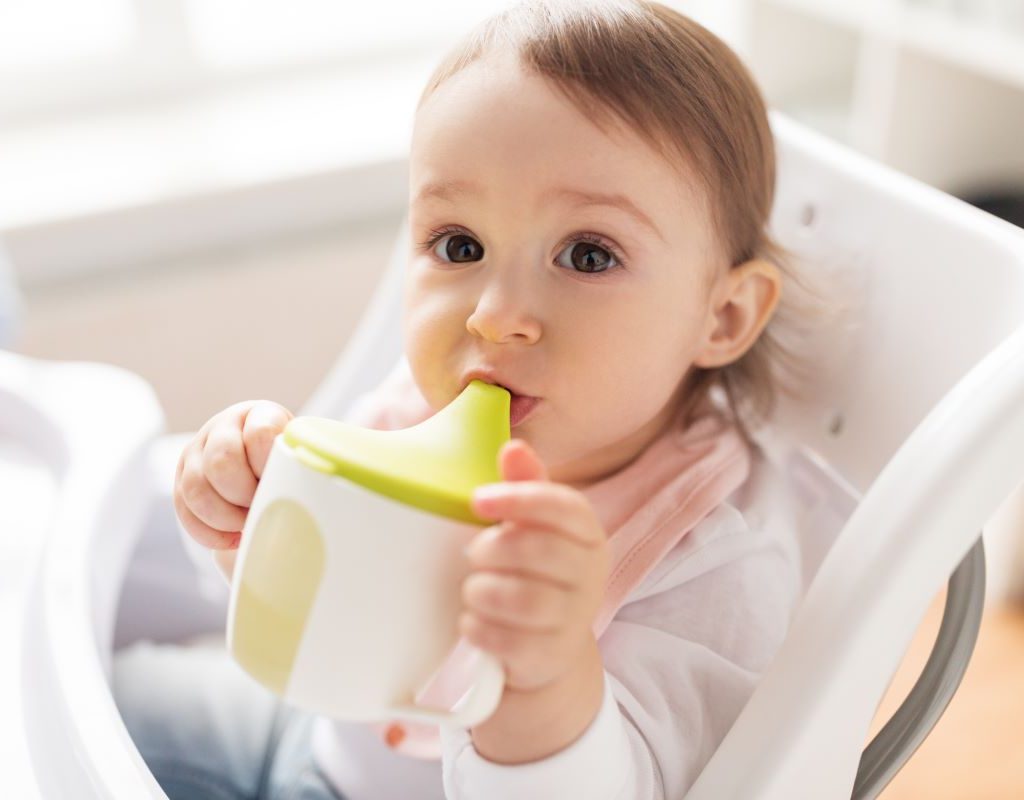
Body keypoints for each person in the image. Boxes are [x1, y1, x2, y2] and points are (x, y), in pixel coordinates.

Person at [114, 1, 828, 797]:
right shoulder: (443, 400)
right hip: (304, 735)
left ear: (722, 316)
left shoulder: (714, 555)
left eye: (588, 255)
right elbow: (305, 605)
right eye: (460, 246)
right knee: (99, 699)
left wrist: (547, 686)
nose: (493, 316)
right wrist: (241, 520)